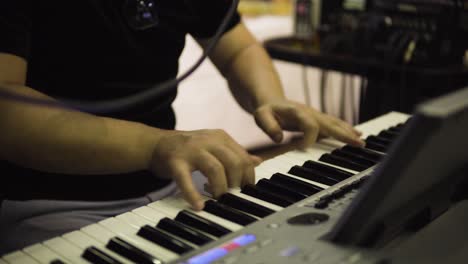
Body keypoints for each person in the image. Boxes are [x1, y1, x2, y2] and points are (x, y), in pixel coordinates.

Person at [0, 0, 364, 254]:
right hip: (47, 203)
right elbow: (7, 107)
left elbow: (237, 48)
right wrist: (154, 145)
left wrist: (268, 97)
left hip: (170, 187)